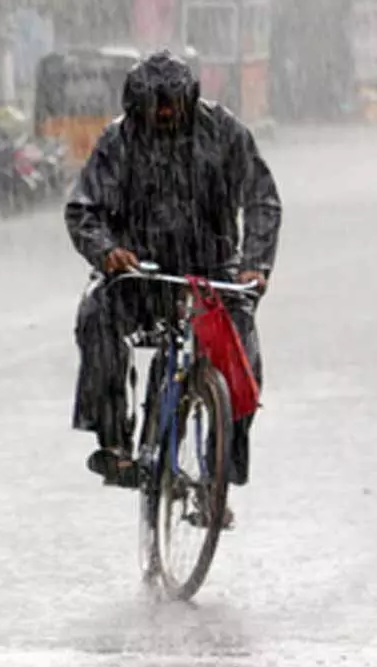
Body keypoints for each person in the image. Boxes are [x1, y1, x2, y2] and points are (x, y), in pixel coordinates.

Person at [65, 50, 282, 522]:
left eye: (173, 104)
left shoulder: (223, 133)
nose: (165, 114)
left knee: (241, 361)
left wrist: (255, 265)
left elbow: (262, 199)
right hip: (140, 273)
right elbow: (84, 209)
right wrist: (107, 252)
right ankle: (116, 444)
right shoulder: (118, 141)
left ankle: (219, 478)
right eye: (155, 106)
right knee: (96, 315)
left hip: (214, 278)